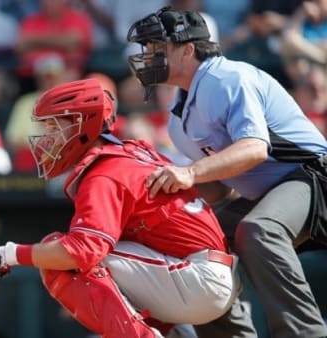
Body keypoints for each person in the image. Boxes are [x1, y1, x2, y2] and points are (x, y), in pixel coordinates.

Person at [0, 78, 242, 337]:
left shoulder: (105, 172)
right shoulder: (130, 151)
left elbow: (80, 252)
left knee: (62, 255)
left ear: (83, 126)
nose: (46, 138)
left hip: (198, 278)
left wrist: (6, 254)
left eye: (54, 127)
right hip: (198, 274)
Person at [126, 6, 327, 338]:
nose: (148, 56)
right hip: (270, 194)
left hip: (313, 177)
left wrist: (190, 173)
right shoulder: (178, 117)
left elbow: (254, 148)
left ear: (187, 49)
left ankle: (304, 334)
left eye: (157, 48)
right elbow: (221, 189)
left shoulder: (226, 77)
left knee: (257, 229)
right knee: (197, 240)